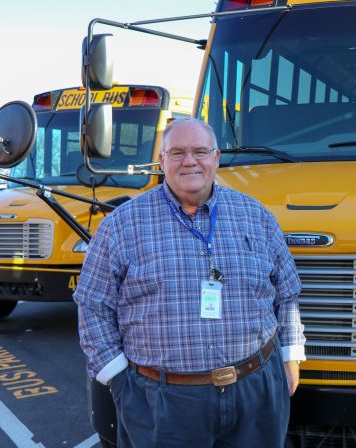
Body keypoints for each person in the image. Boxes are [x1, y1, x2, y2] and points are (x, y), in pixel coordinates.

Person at [73, 117, 306, 448]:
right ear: (162, 160)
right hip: (162, 402)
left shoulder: (255, 216)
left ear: (216, 157)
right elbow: (92, 303)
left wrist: (290, 355)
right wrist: (117, 377)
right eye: (178, 152)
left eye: (200, 151)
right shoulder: (121, 225)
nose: (189, 161)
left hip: (256, 392)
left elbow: (288, 291)